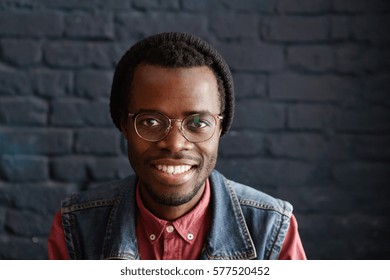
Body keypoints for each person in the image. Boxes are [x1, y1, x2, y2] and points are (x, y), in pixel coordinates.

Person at [48, 32, 306, 260]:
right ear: (123, 125)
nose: (174, 143)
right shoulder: (77, 227)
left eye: (197, 122)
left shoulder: (271, 231)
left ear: (220, 128)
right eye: (150, 121)